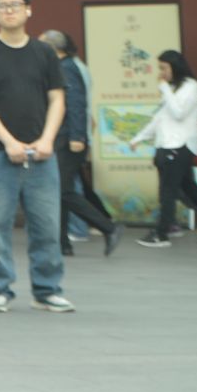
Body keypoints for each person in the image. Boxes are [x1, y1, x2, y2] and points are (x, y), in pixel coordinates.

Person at [0, 0, 73, 313]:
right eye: (3, 6)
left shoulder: (44, 53)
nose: (9, 10)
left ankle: (47, 290)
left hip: (42, 155)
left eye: (15, 4)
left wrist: (47, 139)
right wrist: (9, 141)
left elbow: (57, 99)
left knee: (47, 227)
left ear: (29, 10)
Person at [38, 29, 120, 256]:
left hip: (68, 139)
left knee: (63, 190)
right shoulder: (61, 67)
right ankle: (62, 243)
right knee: (59, 190)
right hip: (62, 138)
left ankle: (108, 227)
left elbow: (76, 104)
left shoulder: (67, 68)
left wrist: (77, 137)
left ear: (53, 48)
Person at [132, 50, 197, 249]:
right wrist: (139, 137)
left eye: (164, 68)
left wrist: (164, 89)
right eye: (160, 68)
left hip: (181, 145)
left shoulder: (192, 87)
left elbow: (179, 113)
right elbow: (160, 118)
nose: (161, 73)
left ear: (175, 67)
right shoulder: (172, 88)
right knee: (190, 190)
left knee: (168, 191)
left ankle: (161, 234)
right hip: (167, 145)